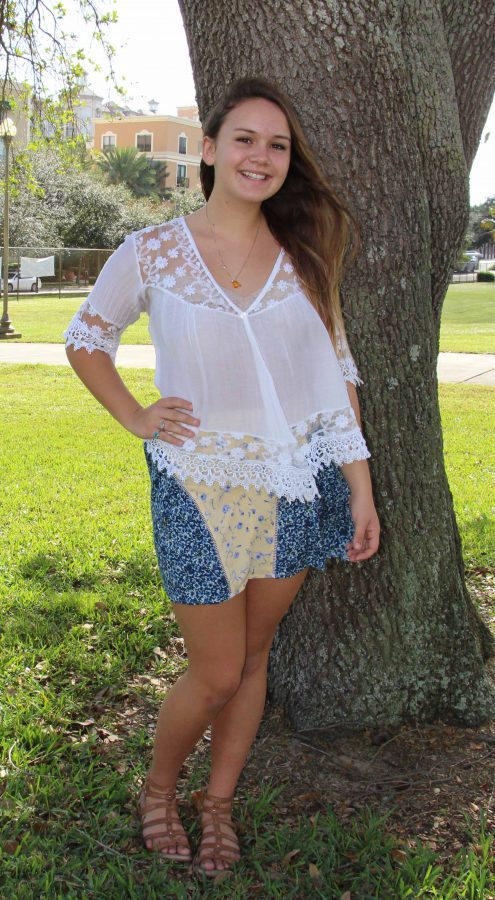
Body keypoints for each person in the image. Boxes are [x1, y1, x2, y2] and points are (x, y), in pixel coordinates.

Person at [65, 76, 380, 877]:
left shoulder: (305, 256)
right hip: (195, 485)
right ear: (208, 149)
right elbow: (86, 337)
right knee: (211, 671)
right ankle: (160, 791)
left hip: (294, 485)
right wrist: (135, 415)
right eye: (244, 138)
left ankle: (218, 807)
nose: (261, 156)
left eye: (276, 145)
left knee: (251, 659)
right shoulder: (154, 251)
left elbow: (334, 376)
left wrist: (360, 487)